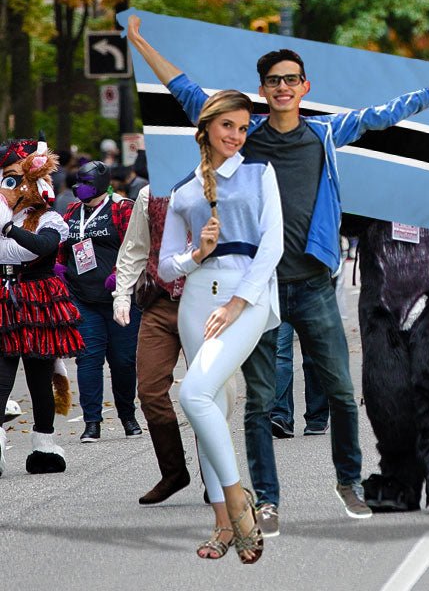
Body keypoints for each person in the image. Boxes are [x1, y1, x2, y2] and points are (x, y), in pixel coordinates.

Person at [127, 15, 429, 533]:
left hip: (312, 285)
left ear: (304, 87)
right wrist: (140, 43)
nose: (283, 87)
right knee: (262, 401)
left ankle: (348, 482)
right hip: (257, 289)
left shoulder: (326, 133)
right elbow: (185, 91)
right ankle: (267, 500)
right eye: (274, 81)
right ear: (261, 91)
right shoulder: (244, 135)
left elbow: (384, 115)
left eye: (291, 80)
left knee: (337, 389)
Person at [158, 89, 281, 562]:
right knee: (210, 407)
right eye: (228, 125)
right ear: (207, 127)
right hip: (195, 300)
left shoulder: (259, 172)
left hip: (244, 297)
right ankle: (221, 526)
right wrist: (197, 254)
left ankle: (238, 505)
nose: (236, 135)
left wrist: (237, 302)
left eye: (243, 127)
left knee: (193, 393)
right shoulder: (185, 190)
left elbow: (272, 245)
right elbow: (166, 267)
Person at [0, 138, 81, 476]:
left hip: (38, 301)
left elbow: (41, 248)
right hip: (4, 299)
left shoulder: (49, 219)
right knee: (2, 379)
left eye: (15, 179)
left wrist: (7, 230)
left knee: (39, 378)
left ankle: (44, 445)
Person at [112, 186, 192, 504]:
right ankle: (173, 472)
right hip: (159, 303)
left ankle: (216, 475)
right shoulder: (149, 194)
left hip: (203, 303)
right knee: (149, 390)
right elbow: (134, 249)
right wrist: (121, 294)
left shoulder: (220, 183)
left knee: (206, 392)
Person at [60, 161, 141, 442]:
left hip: (121, 298)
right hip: (83, 298)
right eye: (78, 181)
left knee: (123, 362)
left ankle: (128, 417)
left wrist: (120, 275)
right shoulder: (72, 211)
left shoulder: (123, 208)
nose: (78, 187)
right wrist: (60, 268)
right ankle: (92, 422)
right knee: (88, 360)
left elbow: (137, 247)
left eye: (85, 181)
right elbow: (63, 245)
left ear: (100, 183)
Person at [270, 320, 329, 438]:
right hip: (282, 302)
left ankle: (317, 419)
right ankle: (281, 416)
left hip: (312, 302)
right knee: (280, 353)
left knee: (312, 355)